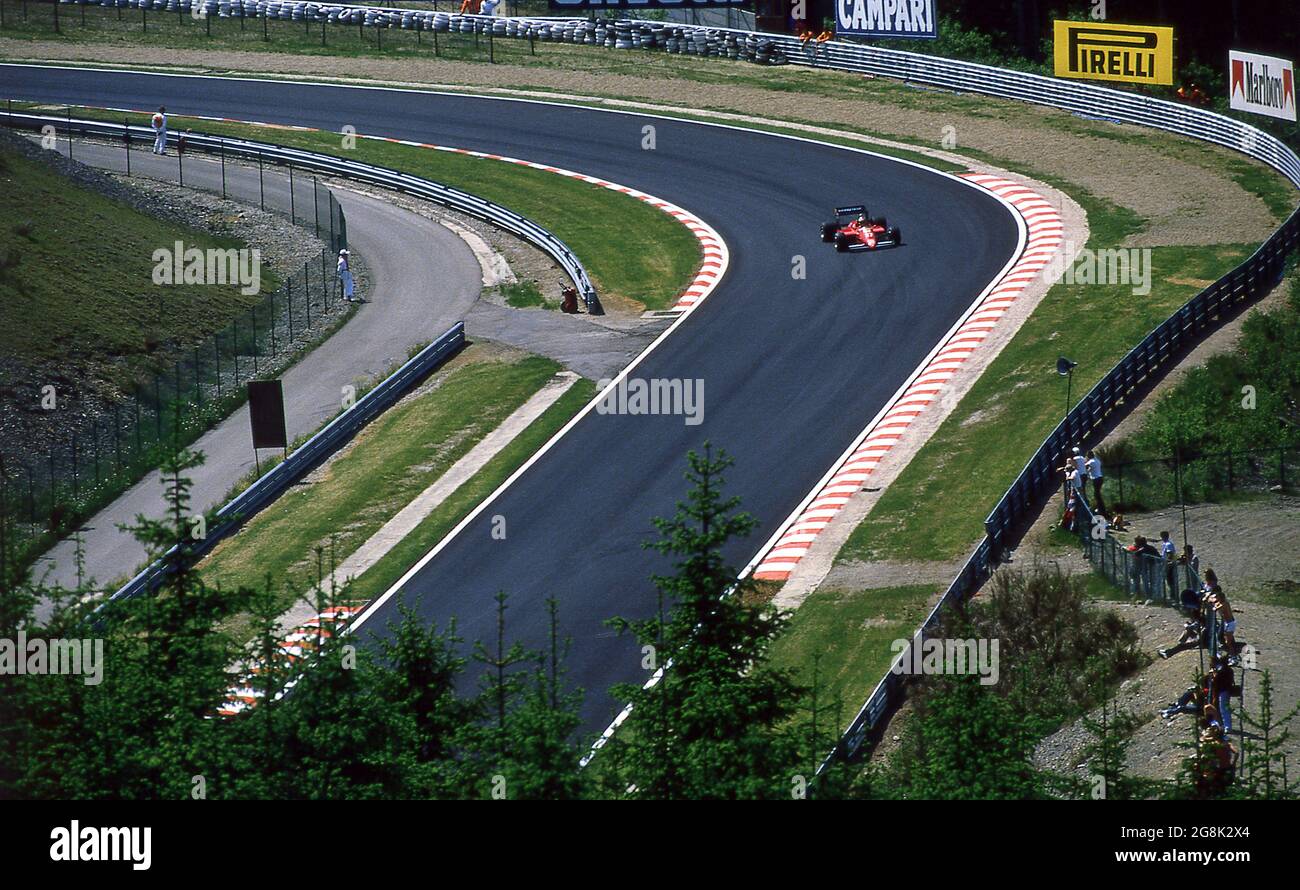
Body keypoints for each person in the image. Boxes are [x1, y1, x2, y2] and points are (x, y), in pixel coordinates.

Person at [1201, 570, 1238, 664]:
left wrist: (1210, 603)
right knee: (1225, 641)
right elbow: (1213, 600)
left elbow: (1215, 608)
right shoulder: (1220, 600)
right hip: (1227, 623)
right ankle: (1230, 656)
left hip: (1230, 623)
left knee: (1228, 642)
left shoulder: (1224, 603)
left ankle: (1234, 658)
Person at [1085, 450, 1105, 514]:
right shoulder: (1097, 460)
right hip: (1100, 477)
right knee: (1097, 494)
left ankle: (1101, 509)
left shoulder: (1091, 461)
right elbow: (1091, 468)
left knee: (1097, 495)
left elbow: (1085, 466)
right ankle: (1101, 508)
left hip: (1096, 479)